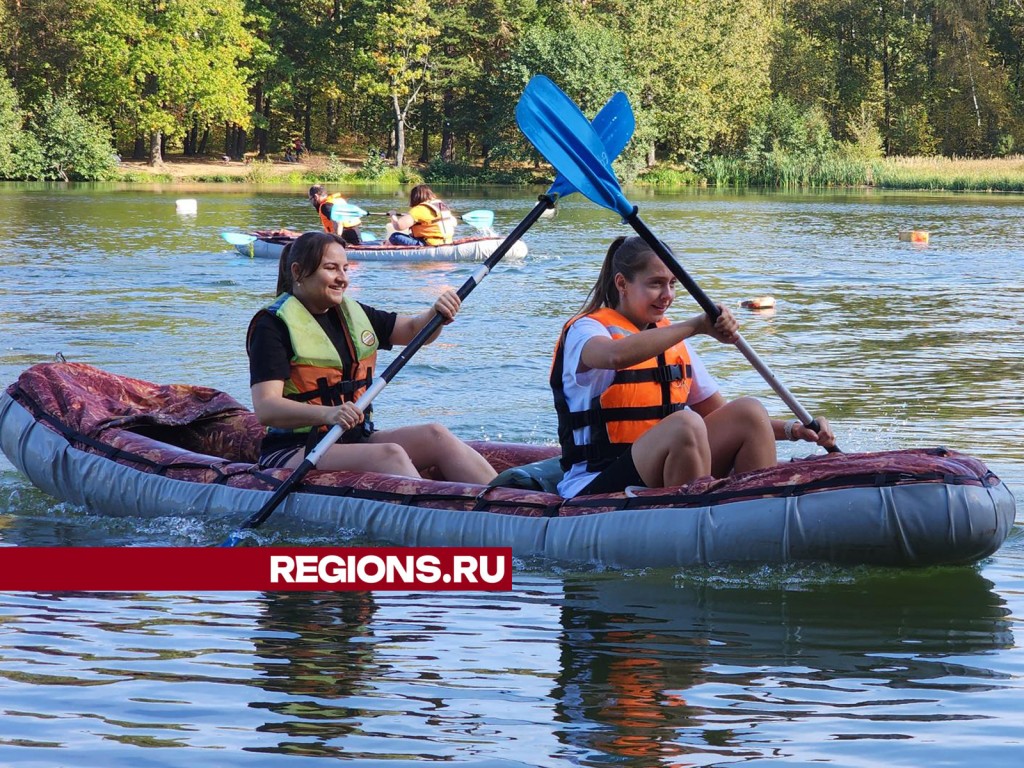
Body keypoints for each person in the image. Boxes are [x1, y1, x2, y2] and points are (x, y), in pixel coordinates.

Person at [550, 235, 835, 498]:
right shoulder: (585, 329)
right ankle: (691, 524)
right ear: (622, 283)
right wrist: (696, 325)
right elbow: (614, 356)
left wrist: (794, 430)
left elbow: (719, 414)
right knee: (685, 424)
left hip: (664, 471)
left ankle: (756, 511)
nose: (667, 295)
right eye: (655, 283)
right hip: (596, 481)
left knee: (749, 412)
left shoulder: (670, 339)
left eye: (672, 283)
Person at [246, 231, 498, 484]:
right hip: (294, 450)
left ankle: (517, 503)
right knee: (390, 454)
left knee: (436, 434)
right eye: (331, 268)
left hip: (354, 438)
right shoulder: (272, 326)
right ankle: (442, 517)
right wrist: (329, 414)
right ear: (298, 271)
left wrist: (436, 313)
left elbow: (412, 330)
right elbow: (267, 409)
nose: (342, 279)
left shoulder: (351, 314)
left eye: (345, 268)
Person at [387, 184, 457, 246]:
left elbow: (398, 226)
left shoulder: (420, 209)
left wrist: (393, 215)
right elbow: (454, 223)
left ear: (415, 198)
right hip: (447, 241)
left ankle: (384, 247)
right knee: (411, 235)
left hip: (430, 243)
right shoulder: (442, 206)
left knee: (395, 236)